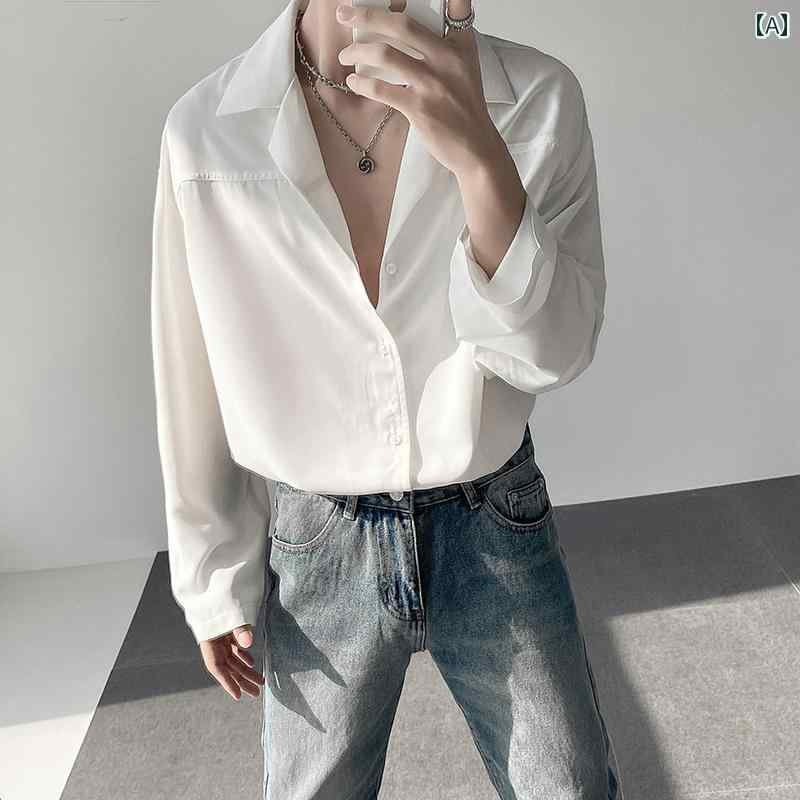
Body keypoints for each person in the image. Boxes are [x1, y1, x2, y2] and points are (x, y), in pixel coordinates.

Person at [150, 0, 619, 796]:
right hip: (318, 537)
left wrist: (483, 162)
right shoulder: (206, 132)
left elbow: (557, 352)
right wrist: (213, 574)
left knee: (568, 787)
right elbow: (192, 368)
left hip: (493, 517)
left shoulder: (536, 98)